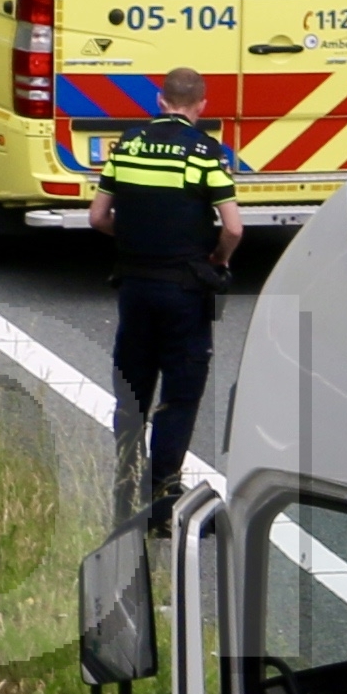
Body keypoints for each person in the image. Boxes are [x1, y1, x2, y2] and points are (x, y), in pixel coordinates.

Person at [88, 67, 247, 526]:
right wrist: (216, 258)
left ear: (160, 101)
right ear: (201, 105)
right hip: (183, 291)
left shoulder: (128, 145)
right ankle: (162, 503)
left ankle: (124, 498)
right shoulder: (203, 153)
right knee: (178, 397)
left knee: (132, 395)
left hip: (134, 288)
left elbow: (98, 218)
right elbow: (233, 227)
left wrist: (138, 237)